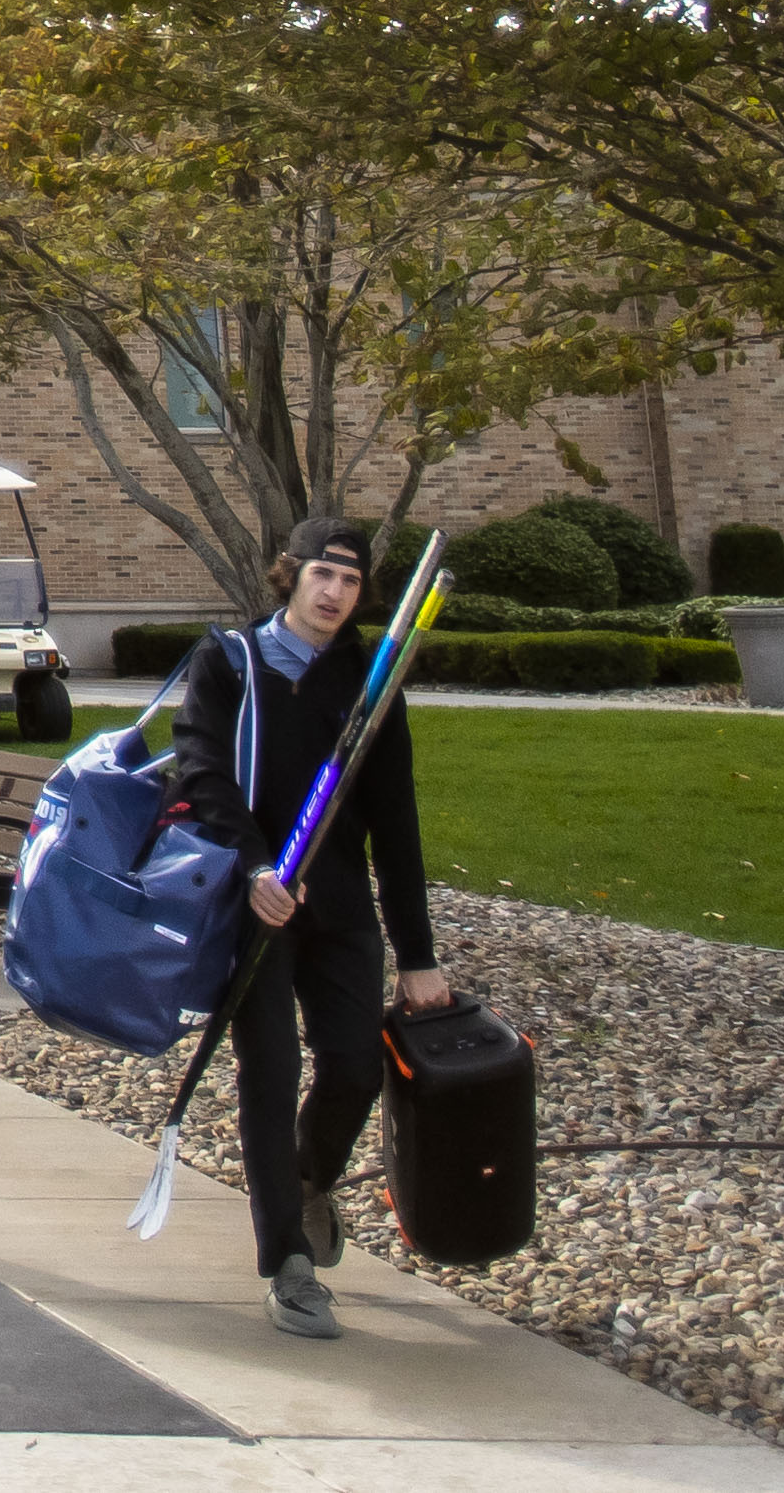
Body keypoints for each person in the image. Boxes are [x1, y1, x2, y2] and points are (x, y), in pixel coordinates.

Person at [165, 514, 450, 1342]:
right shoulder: (232, 663)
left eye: (352, 581)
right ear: (289, 575)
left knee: (357, 1065)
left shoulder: (370, 679)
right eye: (322, 574)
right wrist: (254, 866)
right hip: (254, 903)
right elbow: (200, 772)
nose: (334, 592)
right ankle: (288, 1260)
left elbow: (395, 816)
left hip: (339, 904)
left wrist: (418, 954)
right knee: (270, 1072)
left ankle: (304, 1177)